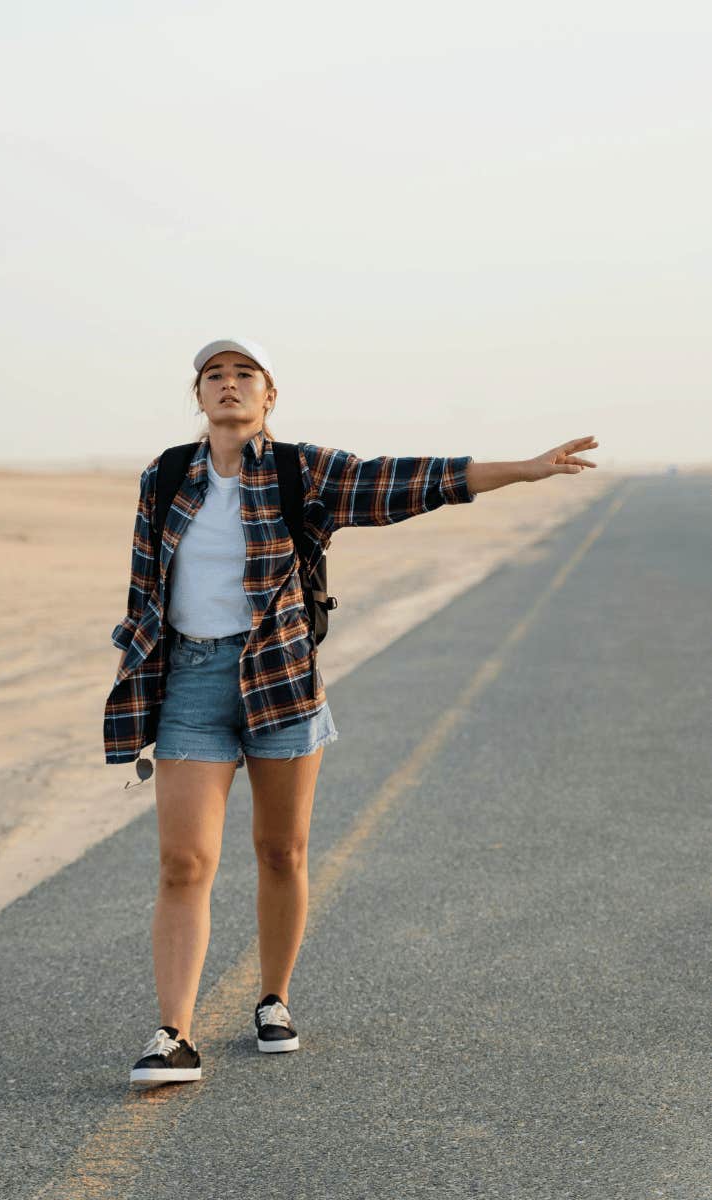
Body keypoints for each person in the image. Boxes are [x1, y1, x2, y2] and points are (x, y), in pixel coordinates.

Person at [113, 336, 598, 1086]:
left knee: (283, 851)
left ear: (269, 396)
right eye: (215, 375)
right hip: (192, 681)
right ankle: (173, 1032)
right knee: (184, 861)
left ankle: (272, 999)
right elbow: (145, 589)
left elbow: (410, 480)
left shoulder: (303, 470)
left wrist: (526, 469)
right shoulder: (167, 475)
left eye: (246, 375)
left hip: (280, 678)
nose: (229, 384)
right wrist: (138, 686)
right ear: (199, 395)